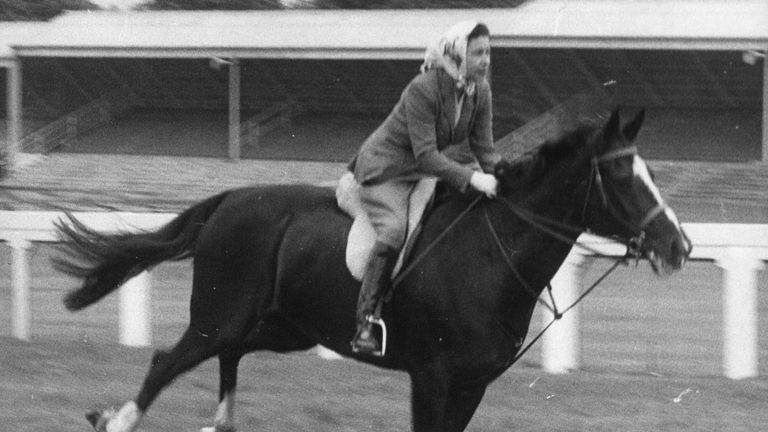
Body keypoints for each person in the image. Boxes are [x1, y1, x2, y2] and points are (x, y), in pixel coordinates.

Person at [349, 21, 501, 355]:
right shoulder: (423, 88)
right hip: (385, 169)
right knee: (393, 230)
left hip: (420, 172)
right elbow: (428, 156)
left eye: (489, 51)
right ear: (457, 56)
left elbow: (485, 150)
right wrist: (473, 178)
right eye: (478, 53)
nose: (486, 60)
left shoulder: (481, 91)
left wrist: (505, 179)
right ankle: (366, 323)